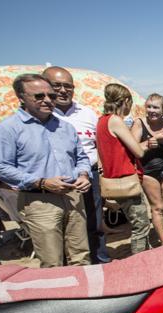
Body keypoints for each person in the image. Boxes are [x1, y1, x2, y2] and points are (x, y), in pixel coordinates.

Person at [0, 74, 92, 267]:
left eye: (51, 96)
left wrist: (84, 174)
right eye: (39, 96)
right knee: (52, 261)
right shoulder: (7, 129)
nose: (47, 100)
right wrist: (41, 182)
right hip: (39, 201)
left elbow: (81, 157)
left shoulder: (65, 127)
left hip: (73, 197)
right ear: (21, 97)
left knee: (81, 257)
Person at [42, 66, 108, 264]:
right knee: (58, 230)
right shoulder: (41, 116)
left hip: (89, 177)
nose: (63, 90)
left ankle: (100, 263)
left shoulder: (87, 114)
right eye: (57, 85)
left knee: (94, 224)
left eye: (67, 86)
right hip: (54, 183)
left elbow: (99, 146)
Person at [97, 83, 153, 254]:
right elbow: (137, 151)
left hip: (115, 180)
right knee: (141, 226)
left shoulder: (101, 121)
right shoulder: (115, 120)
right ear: (126, 101)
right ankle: (140, 262)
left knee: (140, 223)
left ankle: (146, 254)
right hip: (126, 180)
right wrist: (148, 144)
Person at [131, 94, 163, 245]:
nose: (151, 110)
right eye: (149, 106)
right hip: (148, 171)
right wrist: (148, 142)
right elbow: (132, 148)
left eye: (156, 107)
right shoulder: (139, 124)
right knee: (157, 208)